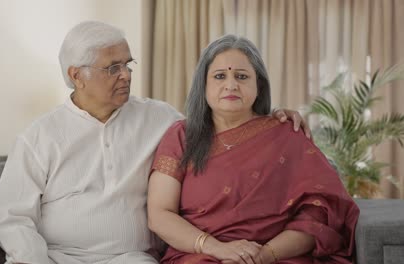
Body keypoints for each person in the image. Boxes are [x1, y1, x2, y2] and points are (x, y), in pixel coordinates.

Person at [0, 21, 312, 264]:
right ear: (77, 75)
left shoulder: (160, 119)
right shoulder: (40, 136)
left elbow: (223, 125)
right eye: (113, 68)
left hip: (132, 258)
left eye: (128, 64)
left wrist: (275, 116)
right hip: (59, 258)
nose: (126, 75)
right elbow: (12, 218)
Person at [147, 34, 359, 264]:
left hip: (278, 256)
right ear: (203, 85)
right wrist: (217, 248)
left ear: (259, 85)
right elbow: (160, 214)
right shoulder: (181, 136)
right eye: (220, 76)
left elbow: (319, 215)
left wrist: (263, 255)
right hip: (199, 253)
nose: (231, 85)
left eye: (242, 76)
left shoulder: (287, 135)